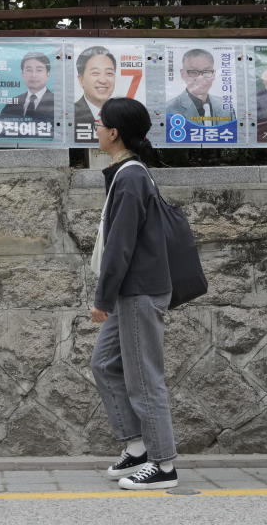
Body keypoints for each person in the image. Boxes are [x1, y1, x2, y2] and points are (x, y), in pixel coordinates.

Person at [89, 97, 179, 491]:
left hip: (139, 291)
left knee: (144, 379)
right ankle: (138, 446)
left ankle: (164, 465)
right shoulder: (126, 173)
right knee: (105, 364)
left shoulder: (131, 177)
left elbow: (120, 246)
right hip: (133, 291)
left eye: (100, 122)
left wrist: (102, 299)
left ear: (114, 132)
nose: (95, 127)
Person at [165, 49, 235, 125]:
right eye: (193, 72)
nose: (200, 78)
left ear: (214, 74)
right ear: (183, 74)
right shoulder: (169, 109)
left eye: (207, 71)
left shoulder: (226, 107)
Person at [73, 45, 116, 142]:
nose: (103, 80)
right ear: (81, 80)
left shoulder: (122, 114)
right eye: (95, 73)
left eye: (109, 73)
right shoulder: (71, 114)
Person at [0, 51, 55, 123]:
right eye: (29, 70)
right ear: (22, 74)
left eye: (39, 70)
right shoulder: (12, 103)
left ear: (48, 74)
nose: (33, 75)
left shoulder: (57, 102)